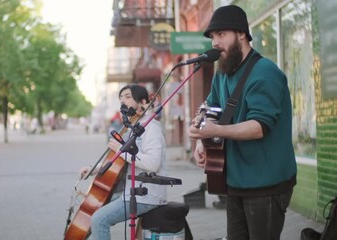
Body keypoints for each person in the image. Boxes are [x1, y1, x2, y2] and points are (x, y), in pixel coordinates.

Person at [188, 5, 297, 240]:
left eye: (221, 34)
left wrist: (216, 130)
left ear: (241, 34)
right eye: (212, 37)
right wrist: (201, 140)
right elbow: (211, 109)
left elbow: (259, 127)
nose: (215, 42)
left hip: (266, 183)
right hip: (235, 181)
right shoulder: (222, 73)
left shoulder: (265, 73)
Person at [79, 84, 167, 240]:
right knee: (92, 207)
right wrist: (93, 169)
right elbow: (117, 162)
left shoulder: (151, 128)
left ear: (143, 103)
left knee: (99, 219)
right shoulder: (133, 129)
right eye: (120, 99)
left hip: (147, 196)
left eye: (127, 97)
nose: (123, 102)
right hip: (131, 192)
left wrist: (122, 150)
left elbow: (153, 164)